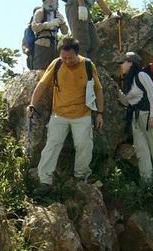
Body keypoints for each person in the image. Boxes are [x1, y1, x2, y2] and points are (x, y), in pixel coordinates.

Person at [28, 36, 104, 192]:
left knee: (84, 145)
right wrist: (32, 104)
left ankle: (80, 177)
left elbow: (98, 89)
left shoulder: (88, 65)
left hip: (82, 114)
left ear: (77, 53)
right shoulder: (57, 64)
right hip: (59, 114)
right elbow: (42, 85)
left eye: (70, 58)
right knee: (52, 145)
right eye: (64, 58)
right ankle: (45, 182)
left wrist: (100, 113)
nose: (67, 61)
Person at [117, 51, 153, 181]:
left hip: (149, 117)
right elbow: (128, 102)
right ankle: (147, 185)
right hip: (136, 119)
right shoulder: (129, 80)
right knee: (141, 152)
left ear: (130, 63)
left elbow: (152, 94)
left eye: (123, 62)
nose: (121, 65)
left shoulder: (141, 75)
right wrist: (116, 91)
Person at [30, 0, 69, 70]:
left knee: (55, 69)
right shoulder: (39, 12)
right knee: (40, 69)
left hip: (54, 44)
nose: (51, 3)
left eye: (53, 0)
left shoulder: (58, 14)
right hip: (42, 44)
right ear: (44, 2)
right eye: (48, 0)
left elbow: (65, 32)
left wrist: (62, 22)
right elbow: (34, 27)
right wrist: (48, 24)